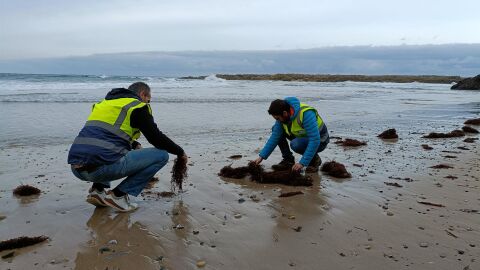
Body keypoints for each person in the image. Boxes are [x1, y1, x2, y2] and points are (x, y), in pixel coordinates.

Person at [68, 82, 187, 212]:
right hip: (101, 170)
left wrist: (134, 144)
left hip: (76, 169)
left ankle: (98, 190)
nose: (148, 103)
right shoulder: (137, 107)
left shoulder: (104, 105)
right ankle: (119, 196)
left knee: (106, 150)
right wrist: (180, 153)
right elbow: (156, 138)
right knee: (162, 155)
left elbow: (106, 133)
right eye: (148, 100)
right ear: (143, 94)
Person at [253, 97, 329, 173]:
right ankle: (288, 160)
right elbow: (275, 137)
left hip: (321, 140)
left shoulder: (306, 113)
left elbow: (315, 140)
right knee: (275, 130)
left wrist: (302, 163)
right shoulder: (283, 115)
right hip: (302, 137)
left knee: (296, 144)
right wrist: (261, 157)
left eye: (278, 118)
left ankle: (314, 160)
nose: (277, 121)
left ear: (285, 113)